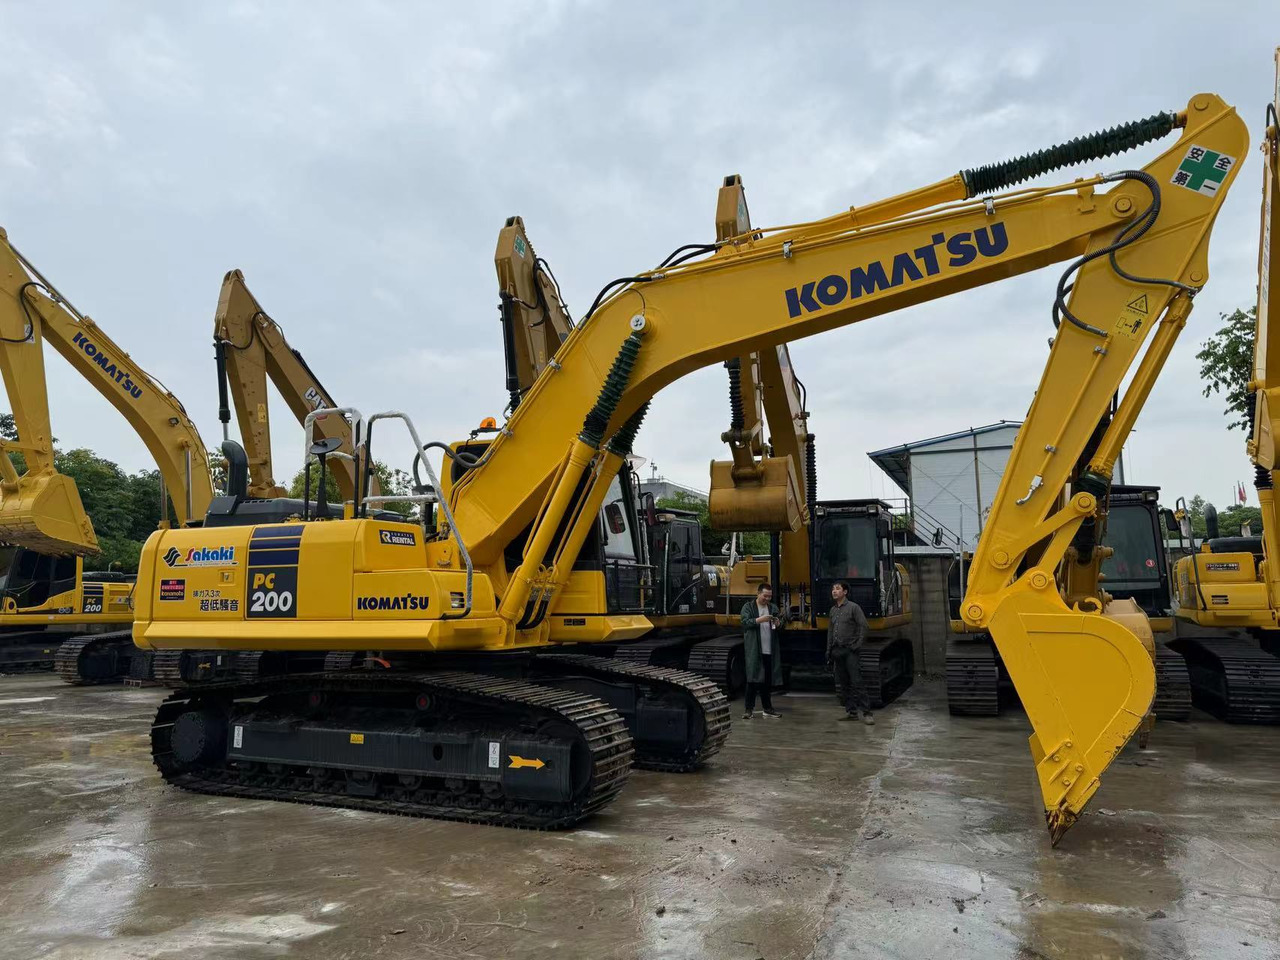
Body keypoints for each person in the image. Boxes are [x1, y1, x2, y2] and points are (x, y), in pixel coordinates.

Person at [827, 580, 874, 725]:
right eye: (833, 589)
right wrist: (828, 650)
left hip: (850, 651)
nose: (834, 591)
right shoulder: (833, 610)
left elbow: (864, 626)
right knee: (843, 683)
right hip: (837, 651)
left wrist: (857, 644)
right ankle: (852, 712)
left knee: (857, 681)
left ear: (845, 592)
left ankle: (867, 713)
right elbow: (830, 631)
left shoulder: (854, 608)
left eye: (838, 589)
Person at [739, 582, 785, 720]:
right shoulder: (748, 607)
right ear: (758, 594)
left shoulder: (772, 608)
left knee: (767, 680)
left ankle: (768, 708)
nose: (767, 599)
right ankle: (748, 709)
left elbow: (781, 623)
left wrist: (778, 623)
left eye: (769, 597)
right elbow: (745, 623)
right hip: (755, 650)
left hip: (769, 649)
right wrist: (760, 620)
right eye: (765, 596)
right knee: (752, 679)